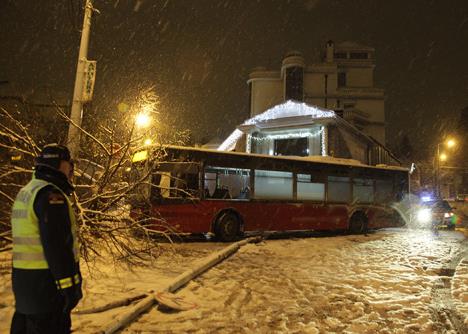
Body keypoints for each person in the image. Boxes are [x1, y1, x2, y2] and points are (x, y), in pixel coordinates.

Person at [10, 144, 82, 334]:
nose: (71, 170)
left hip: (25, 287)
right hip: (47, 289)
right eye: (69, 164)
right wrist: (70, 289)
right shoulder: (52, 196)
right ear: (59, 164)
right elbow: (57, 247)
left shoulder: (27, 192)